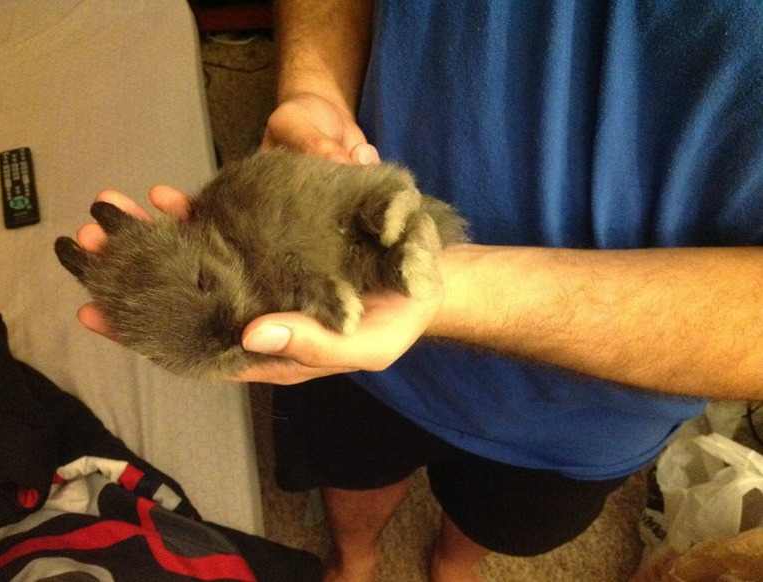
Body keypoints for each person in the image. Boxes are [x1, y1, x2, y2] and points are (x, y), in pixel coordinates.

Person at [75, 2, 763, 581]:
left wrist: (447, 287)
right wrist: (314, 87)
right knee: (352, 467)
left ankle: (452, 560)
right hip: (343, 318)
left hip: (587, 407)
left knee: (504, 518)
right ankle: (357, 554)